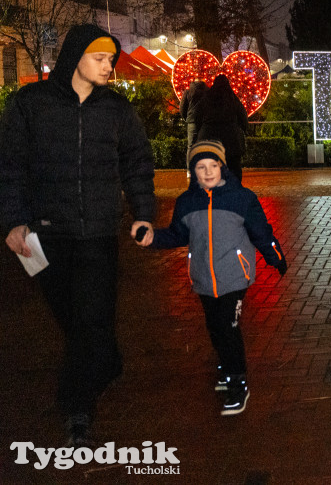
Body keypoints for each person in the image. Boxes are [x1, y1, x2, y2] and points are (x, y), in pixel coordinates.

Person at [0, 23, 155, 446]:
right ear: (75, 57)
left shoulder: (117, 109)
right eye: (100, 58)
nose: (108, 67)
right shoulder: (30, 105)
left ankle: (76, 407)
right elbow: (10, 167)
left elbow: (137, 162)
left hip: (99, 234)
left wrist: (143, 212)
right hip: (45, 234)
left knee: (88, 316)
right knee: (74, 317)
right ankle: (104, 359)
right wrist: (14, 220)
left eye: (111, 59)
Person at [137, 140, 287, 416]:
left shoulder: (241, 198)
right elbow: (178, 235)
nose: (207, 172)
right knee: (215, 327)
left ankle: (237, 380)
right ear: (193, 171)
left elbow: (261, 232)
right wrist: (153, 238)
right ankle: (226, 365)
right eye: (200, 167)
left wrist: (274, 255)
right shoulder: (186, 202)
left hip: (234, 277)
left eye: (213, 166)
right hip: (204, 279)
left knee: (228, 328)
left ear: (222, 167)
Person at [195, 74, 248, 181]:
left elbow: (197, 116)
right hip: (231, 140)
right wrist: (244, 130)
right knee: (234, 168)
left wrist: (200, 131)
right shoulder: (232, 98)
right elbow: (243, 116)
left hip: (208, 139)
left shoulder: (206, 98)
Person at [179, 79, 208, 149]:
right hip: (205, 123)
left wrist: (188, 118)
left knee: (191, 146)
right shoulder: (209, 93)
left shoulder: (188, 92)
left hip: (192, 122)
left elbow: (182, 108)